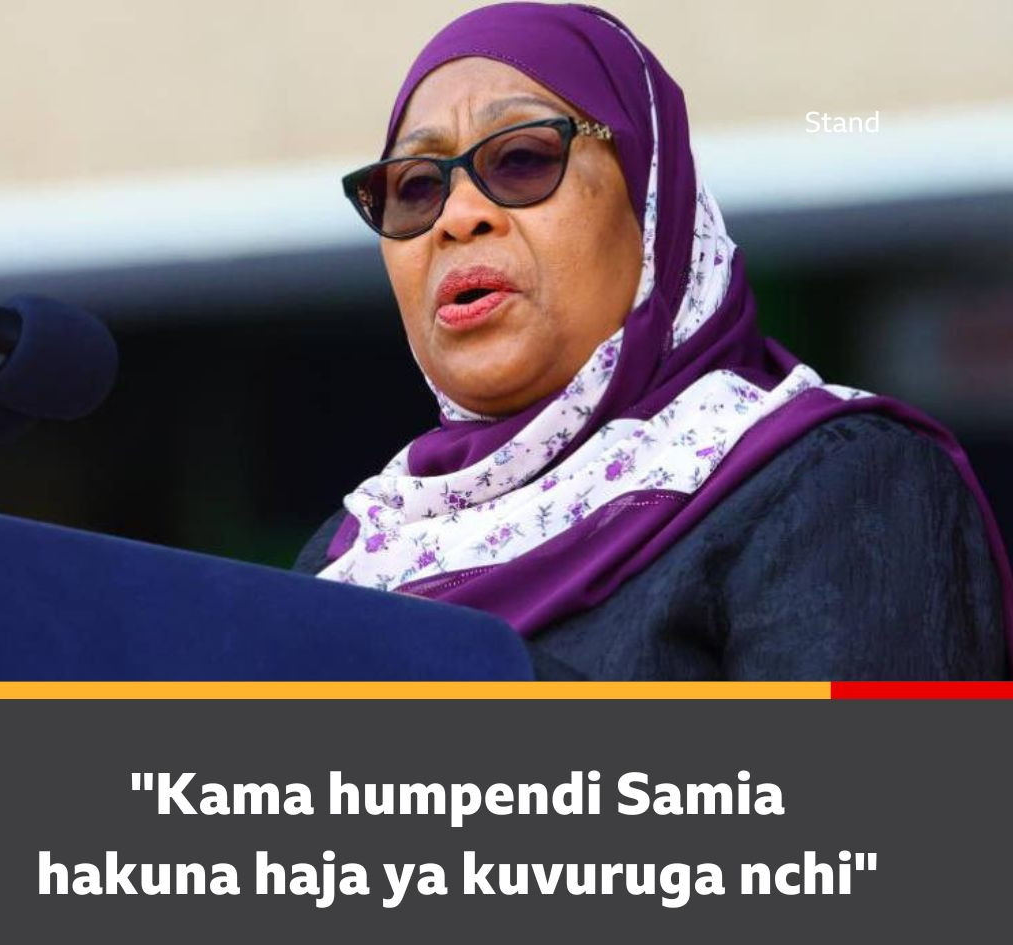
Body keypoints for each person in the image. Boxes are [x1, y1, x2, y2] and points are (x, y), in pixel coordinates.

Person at [294, 2, 1013, 680]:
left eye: (521, 159)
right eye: (416, 187)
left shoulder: (837, 480)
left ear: (651, 199)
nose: (458, 218)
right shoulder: (355, 557)